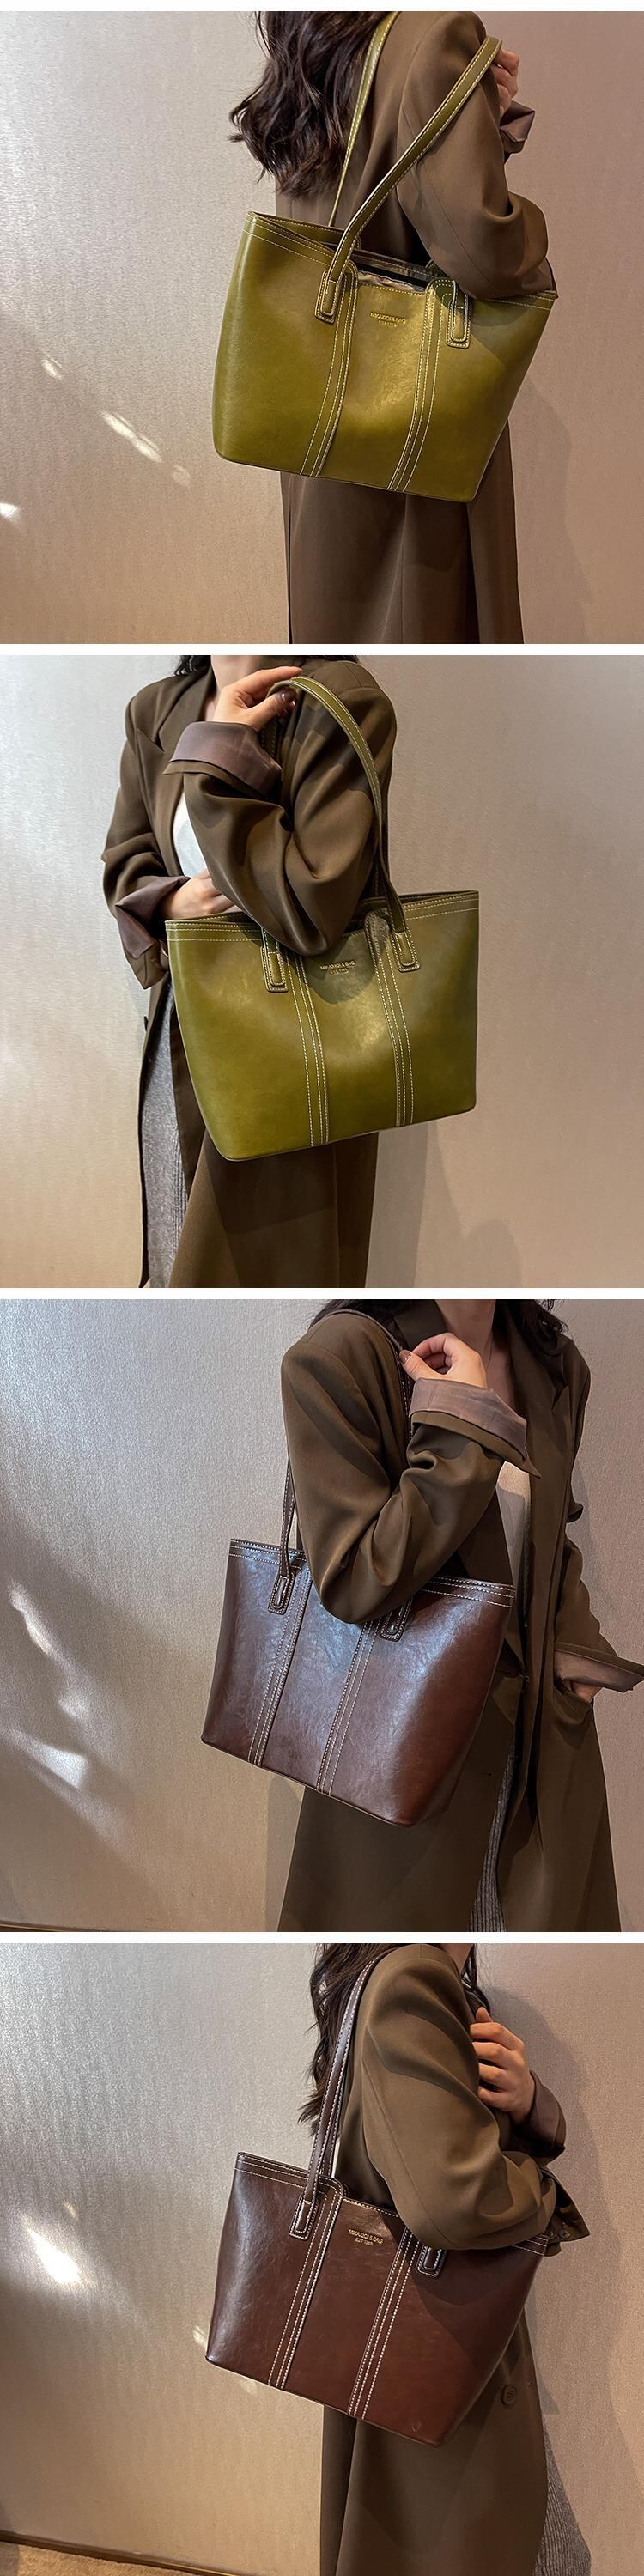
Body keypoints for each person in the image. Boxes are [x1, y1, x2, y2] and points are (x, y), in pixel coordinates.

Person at [278, 1298, 643, 1929]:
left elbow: (550, 1530)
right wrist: (462, 1422)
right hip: (405, 1768)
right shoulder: (340, 1358)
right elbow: (355, 1578)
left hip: (536, 1755)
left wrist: (571, 1643)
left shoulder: (554, 1365)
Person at [231, 12, 552, 641]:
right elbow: (483, 251)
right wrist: (532, 230)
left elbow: (374, 174)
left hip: (317, 408)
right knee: (423, 616)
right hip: (409, 418)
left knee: (334, 610)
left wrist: (479, 120)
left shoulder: (316, 32)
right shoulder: (437, 33)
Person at [101, 653, 396, 1285]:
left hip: (298, 1049)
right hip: (181, 1041)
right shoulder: (156, 709)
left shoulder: (342, 700)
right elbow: (125, 863)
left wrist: (220, 756)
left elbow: (312, 906)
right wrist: (173, 903)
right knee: (175, 1265)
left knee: (267, 1273)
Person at [309, 1941, 591, 2575]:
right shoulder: (414, 1976)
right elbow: (454, 2203)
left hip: (408, 2341)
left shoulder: (417, 1980)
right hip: (437, 2347)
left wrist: (528, 2102)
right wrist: (543, 2191)